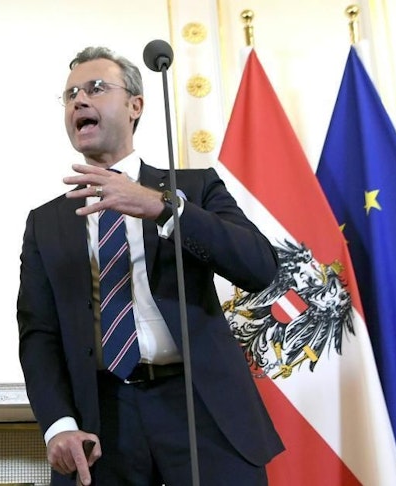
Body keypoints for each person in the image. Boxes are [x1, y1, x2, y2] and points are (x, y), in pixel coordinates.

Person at [16, 46, 284, 485]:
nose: (79, 101)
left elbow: (259, 268)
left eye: (97, 88)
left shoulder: (193, 189)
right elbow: (38, 334)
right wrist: (59, 424)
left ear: (135, 105)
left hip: (201, 410)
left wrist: (163, 208)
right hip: (103, 417)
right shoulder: (46, 223)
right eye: (70, 95)